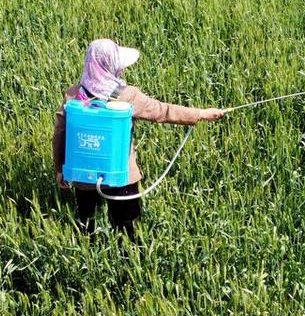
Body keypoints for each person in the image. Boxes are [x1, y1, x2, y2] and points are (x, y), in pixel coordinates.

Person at [52, 38, 224, 240]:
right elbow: (163, 111)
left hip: (83, 177)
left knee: (86, 224)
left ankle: (89, 256)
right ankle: (129, 262)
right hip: (121, 177)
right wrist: (200, 114)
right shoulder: (127, 96)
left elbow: (59, 135)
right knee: (127, 229)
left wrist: (59, 169)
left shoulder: (73, 96)